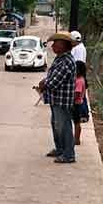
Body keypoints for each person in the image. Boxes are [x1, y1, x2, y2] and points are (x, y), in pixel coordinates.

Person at [39, 32, 77, 164]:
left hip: (62, 100)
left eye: (56, 43)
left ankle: (68, 154)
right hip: (57, 99)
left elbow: (54, 82)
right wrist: (45, 81)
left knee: (64, 126)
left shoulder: (65, 61)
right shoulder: (60, 58)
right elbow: (52, 76)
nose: (53, 46)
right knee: (57, 125)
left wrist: (44, 84)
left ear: (64, 46)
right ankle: (60, 149)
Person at [73, 61, 89, 146]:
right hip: (78, 103)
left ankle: (76, 139)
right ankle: (76, 138)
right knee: (77, 122)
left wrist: (71, 99)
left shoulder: (79, 81)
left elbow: (77, 93)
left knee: (76, 122)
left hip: (76, 104)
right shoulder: (80, 79)